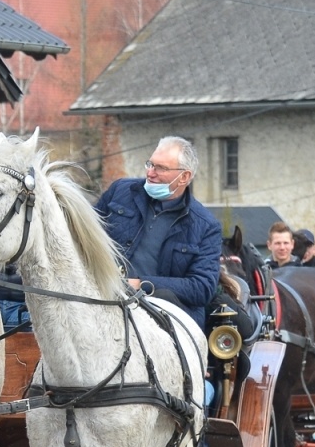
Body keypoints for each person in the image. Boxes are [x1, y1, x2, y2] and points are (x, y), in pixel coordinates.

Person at [94, 136, 222, 324]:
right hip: (102, 303)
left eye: (160, 168)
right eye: (150, 164)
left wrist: (141, 284)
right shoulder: (120, 191)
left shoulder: (205, 226)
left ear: (184, 177)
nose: (150, 173)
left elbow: (202, 288)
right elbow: (84, 236)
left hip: (164, 321)